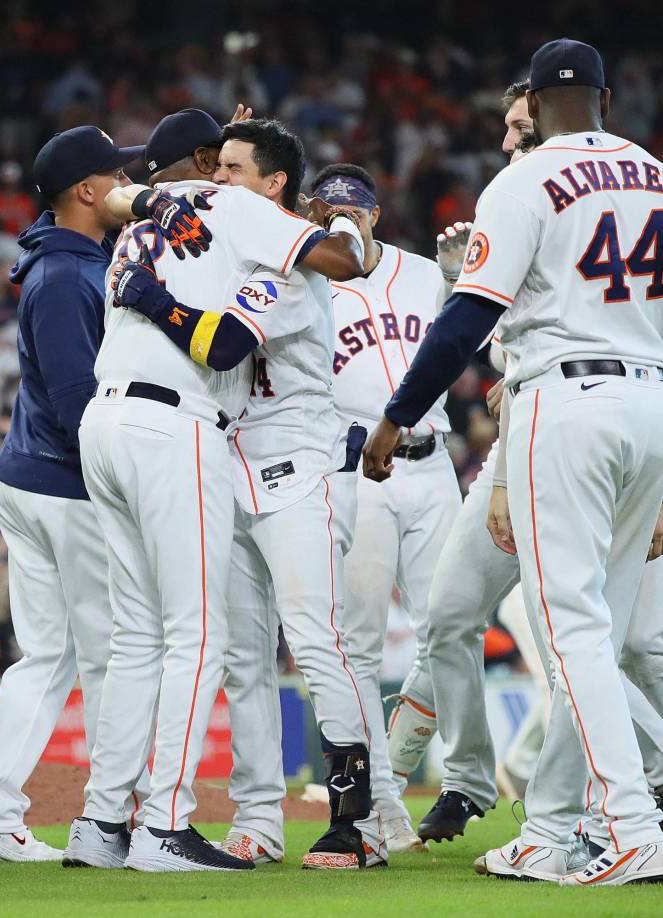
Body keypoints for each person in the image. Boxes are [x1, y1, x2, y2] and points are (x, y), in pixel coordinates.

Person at [364, 38, 663, 886]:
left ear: (532, 100)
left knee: (571, 633)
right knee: (593, 636)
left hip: (564, 403)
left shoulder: (524, 181)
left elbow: (466, 319)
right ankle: (550, 829)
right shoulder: (652, 171)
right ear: (605, 97)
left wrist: (396, 416)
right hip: (649, 401)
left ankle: (633, 825)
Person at [63, 109, 371, 872]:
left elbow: (263, 304)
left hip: (283, 460)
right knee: (216, 645)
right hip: (199, 441)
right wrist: (181, 201)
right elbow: (227, 313)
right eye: (218, 165)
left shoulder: (199, 233)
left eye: (237, 167)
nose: (223, 180)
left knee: (294, 639)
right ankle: (223, 819)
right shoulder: (220, 221)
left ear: (269, 185)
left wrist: (351, 230)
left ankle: (353, 818)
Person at [0, 126, 144, 863]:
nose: (126, 186)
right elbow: (79, 399)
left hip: (29, 476)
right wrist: (126, 487)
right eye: (115, 175)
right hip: (66, 483)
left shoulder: (63, 255)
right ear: (86, 190)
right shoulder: (71, 275)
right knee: (103, 654)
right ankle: (111, 818)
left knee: (46, 658)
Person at [302, 162, 462, 853]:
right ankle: (385, 809)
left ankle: (454, 777)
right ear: (312, 218)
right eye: (330, 209)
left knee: (453, 625)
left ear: (374, 214)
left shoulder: (424, 272)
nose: (344, 218)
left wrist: (460, 283)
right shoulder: (300, 281)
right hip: (355, 471)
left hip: (432, 464)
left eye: (355, 208)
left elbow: (476, 341)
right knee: (359, 645)